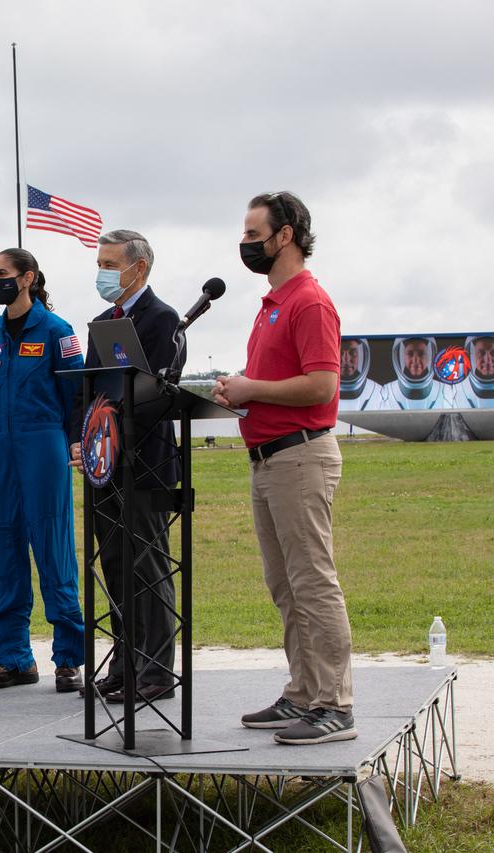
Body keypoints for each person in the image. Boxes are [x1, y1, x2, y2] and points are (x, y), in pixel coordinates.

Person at [214, 191, 356, 745]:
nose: (245, 244)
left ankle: (335, 706)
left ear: (287, 235)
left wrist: (253, 388)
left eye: (254, 235)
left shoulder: (310, 302)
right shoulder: (271, 303)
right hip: (268, 459)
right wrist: (241, 391)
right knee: (285, 586)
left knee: (313, 583)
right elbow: (277, 384)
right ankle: (303, 693)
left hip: (300, 457)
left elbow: (323, 386)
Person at [69, 230, 183, 704]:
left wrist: (117, 430)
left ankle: (155, 670)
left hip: (145, 462)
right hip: (105, 466)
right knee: (114, 567)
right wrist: (83, 439)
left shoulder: (163, 319)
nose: (103, 273)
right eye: (100, 263)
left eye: (111, 264)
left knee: (147, 565)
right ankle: (124, 663)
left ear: (139, 268)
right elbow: (91, 388)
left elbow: (161, 389)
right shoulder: (103, 320)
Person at [0, 248, 86, 693]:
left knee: (52, 545)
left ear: (27, 278)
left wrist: (75, 440)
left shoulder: (58, 332)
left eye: (2, 273)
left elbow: (76, 396)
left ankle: (69, 657)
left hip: (43, 443)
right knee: (3, 548)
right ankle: (14, 658)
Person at [382, 336, 446, 409]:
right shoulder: (386, 393)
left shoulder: (446, 392)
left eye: (421, 354)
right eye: (410, 354)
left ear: (429, 356)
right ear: (402, 356)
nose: (416, 360)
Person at [337, 338, 384, 411]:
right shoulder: (320, 390)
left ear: (363, 356)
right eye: (340, 352)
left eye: (352, 353)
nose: (346, 359)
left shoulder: (379, 392)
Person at [456, 335, 494, 408]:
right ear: (469, 358)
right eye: (481, 353)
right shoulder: (456, 390)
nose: (487, 360)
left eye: (493, 353)